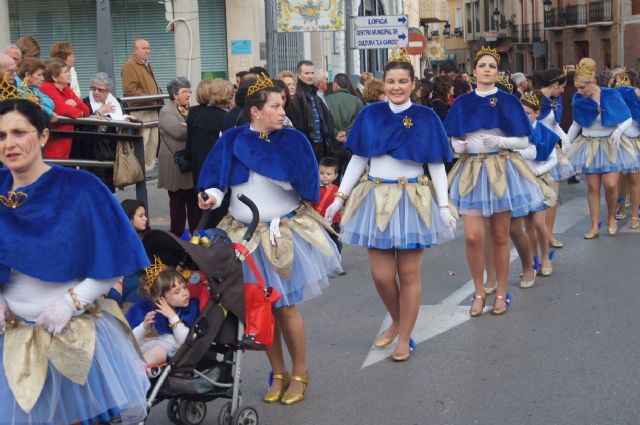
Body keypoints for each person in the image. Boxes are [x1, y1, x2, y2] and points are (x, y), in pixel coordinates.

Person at [0, 98, 150, 424]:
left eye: (18, 133)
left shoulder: (80, 187)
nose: (9, 143)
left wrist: (70, 303)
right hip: (12, 338)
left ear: (42, 137)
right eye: (0, 136)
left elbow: (113, 260)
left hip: (72, 332)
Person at [198, 74, 342, 405]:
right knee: (258, 306)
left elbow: (305, 184)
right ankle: (277, 371)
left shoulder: (292, 140)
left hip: (282, 233)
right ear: (255, 111)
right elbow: (219, 180)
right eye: (275, 106)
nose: (282, 112)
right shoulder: (233, 138)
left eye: (282, 105)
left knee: (285, 307)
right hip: (243, 234)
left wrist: (280, 174)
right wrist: (210, 195)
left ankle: (300, 371)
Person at [324, 48, 456, 361]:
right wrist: (339, 197)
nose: (396, 87)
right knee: (382, 276)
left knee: (409, 274)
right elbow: (358, 158)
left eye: (402, 81)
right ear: (383, 84)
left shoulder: (425, 117)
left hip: (412, 199)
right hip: (375, 198)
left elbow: (435, 163)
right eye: (391, 81)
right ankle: (397, 320)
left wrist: (443, 205)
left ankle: (405, 335)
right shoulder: (371, 114)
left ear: (413, 85)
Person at [445, 47, 544, 316]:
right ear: (474, 71)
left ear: (497, 72)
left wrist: (500, 141)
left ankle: (501, 293)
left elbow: (524, 140)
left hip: (501, 168)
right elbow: (451, 138)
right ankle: (479, 292)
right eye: (482, 65)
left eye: (492, 66)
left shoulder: (509, 101)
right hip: (472, 170)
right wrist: (457, 145)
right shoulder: (463, 103)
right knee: (473, 236)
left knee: (501, 235)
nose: (487, 69)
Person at [564, 57, 636, 238]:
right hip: (589, 145)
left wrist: (620, 130)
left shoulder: (611, 94)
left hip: (610, 144)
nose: (580, 91)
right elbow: (576, 124)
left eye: (583, 87)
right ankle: (594, 226)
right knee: (593, 187)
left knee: (611, 185)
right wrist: (565, 142)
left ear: (593, 81)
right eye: (577, 87)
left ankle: (611, 217)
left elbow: (627, 117)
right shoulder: (578, 98)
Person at [513, 91, 559, 286]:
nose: (525, 117)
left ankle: (545, 258)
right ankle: (532, 259)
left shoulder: (545, 133)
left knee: (539, 223)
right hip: (521, 182)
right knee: (527, 225)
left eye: (528, 113)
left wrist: (539, 170)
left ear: (537, 113)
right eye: (521, 113)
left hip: (539, 181)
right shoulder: (514, 132)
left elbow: (553, 159)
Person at [126, 261, 199, 365]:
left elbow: (185, 341)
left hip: (164, 352)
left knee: (159, 352)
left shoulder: (189, 309)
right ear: (161, 298)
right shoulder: (145, 310)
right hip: (139, 350)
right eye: (177, 292)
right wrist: (144, 327)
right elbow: (129, 342)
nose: (185, 293)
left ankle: (137, 371)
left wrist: (172, 316)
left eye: (185, 287)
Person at [534, 67, 575, 248]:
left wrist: (564, 137)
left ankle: (548, 235)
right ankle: (537, 235)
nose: (564, 90)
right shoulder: (534, 99)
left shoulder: (555, 100)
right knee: (536, 197)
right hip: (535, 152)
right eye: (563, 86)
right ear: (555, 84)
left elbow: (553, 123)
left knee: (553, 196)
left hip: (551, 151)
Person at [187, 78, 232, 227]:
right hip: (216, 166)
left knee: (201, 204)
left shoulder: (194, 113)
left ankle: (201, 239)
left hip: (198, 163)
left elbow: (189, 142)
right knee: (218, 210)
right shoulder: (225, 117)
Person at [158, 77, 199, 237]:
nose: (188, 94)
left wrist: (189, 125)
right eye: (184, 91)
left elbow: (190, 128)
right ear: (175, 95)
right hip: (174, 163)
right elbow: (179, 132)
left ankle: (196, 235)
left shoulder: (190, 109)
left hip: (188, 161)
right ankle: (177, 236)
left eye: (189, 91)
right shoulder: (167, 111)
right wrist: (192, 126)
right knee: (177, 202)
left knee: (193, 201)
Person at [121, 39, 162, 173]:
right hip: (140, 110)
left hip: (152, 108)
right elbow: (130, 90)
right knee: (143, 143)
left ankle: (146, 172)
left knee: (153, 143)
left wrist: (159, 96)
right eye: (143, 48)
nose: (147, 51)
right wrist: (151, 99)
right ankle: (139, 173)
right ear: (135, 50)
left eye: (148, 48)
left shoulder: (147, 64)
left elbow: (153, 85)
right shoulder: (130, 65)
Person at [39, 58, 90, 159]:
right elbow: (62, 109)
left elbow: (86, 109)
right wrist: (72, 108)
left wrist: (74, 108)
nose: (69, 74)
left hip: (66, 144)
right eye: (65, 72)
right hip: (52, 145)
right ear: (54, 77)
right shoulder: (46, 88)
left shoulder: (66, 89)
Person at [289, 60, 335, 162]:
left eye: (312, 73)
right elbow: (298, 125)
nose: (310, 76)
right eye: (306, 73)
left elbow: (324, 119)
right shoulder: (297, 96)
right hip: (308, 145)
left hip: (320, 145)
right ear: (299, 75)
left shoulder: (314, 94)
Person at [108, 199, 149, 310]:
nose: (145, 219)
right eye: (141, 216)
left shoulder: (115, 236)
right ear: (129, 219)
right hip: (124, 284)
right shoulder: (132, 240)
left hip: (122, 285)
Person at [614, 69, 640, 229]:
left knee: (634, 179)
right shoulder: (626, 94)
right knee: (622, 177)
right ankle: (622, 206)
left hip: (636, 141)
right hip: (623, 141)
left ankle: (635, 215)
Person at [325, 73, 363, 176]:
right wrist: (346, 133)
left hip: (333, 144)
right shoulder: (356, 101)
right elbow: (360, 123)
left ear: (335, 85)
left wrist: (337, 133)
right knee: (350, 176)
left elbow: (324, 122)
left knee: (332, 177)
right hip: (350, 145)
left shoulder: (326, 100)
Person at [311, 156, 343, 252]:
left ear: (335, 176)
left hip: (334, 224)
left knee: (335, 244)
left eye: (328, 174)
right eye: (322, 173)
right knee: (319, 245)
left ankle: (336, 260)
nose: (325, 176)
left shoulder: (337, 190)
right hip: (318, 223)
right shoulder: (314, 189)